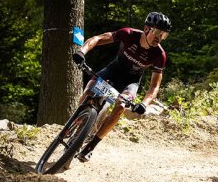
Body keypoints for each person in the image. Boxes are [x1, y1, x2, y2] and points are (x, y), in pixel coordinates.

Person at [71, 11, 171, 162]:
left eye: (163, 35)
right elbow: (97, 39)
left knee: (121, 107)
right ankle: (74, 122)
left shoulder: (159, 55)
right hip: (112, 71)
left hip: (130, 82)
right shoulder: (128, 34)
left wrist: (144, 104)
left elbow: (154, 87)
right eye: (157, 32)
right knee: (89, 89)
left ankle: (91, 146)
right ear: (146, 29)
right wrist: (82, 51)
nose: (159, 37)